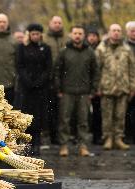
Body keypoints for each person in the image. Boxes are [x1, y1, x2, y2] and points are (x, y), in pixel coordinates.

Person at [55, 25, 99, 157]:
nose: (77, 35)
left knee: (83, 121)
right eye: (75, 33)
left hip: (84, 93)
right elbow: (57, 71)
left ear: (83, 35)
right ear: (71, 35)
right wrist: (58, 89)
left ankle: (83, 146)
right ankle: (64, 146)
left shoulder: (89, 52)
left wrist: (93, 90)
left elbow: (96, 72)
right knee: (65, 120)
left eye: (80, 33)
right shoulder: (64, 51)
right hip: (67, 91)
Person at [96, 24, 135, 150]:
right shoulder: (101, 48)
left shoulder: (126, 49)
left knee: (120, 115)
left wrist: (132, 86)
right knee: (107, 116)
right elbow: (96, 69)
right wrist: (97, 87)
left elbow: (132, 69)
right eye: (114, 30)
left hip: (123, 87)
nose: (116, 33)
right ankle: (108, 139)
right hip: (106, 87)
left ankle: (118, 139)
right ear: (109, 32)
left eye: (118, 30)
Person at [16, 24, 51, 155]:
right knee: (25, 117)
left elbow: (48, 68)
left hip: (40, 89)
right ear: (29, 35)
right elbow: (20, 66)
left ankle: (37, 144)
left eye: (37, 34)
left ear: (41, 35)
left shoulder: (46, 49)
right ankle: (25, 144)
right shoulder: (22, 47)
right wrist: (27, 81)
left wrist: (39, 82)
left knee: (38, 118)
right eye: (33, 34)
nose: (35, 36)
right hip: (26, 89)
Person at [43, 16, 68, 144]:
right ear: (50, 23)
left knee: (61, 110)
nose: (57, 25)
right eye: (55, 22)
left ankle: (58, 136)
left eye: (59, 22)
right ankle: (48, 134)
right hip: (47, 78)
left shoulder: (66, 39)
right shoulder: (44, 38)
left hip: (63, 78)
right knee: (48, 108)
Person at [86, 27, 103, 145]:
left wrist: (98, 87)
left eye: (94, 35)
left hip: (97, 85)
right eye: (90, 35)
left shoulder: (101, 49)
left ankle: (97, 136)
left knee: (97, 113)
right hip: (84, 85)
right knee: (84, 113)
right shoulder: (84, 49)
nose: (92, 38)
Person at [125, 21, 135, 144]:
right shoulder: (124, 47)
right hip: (127, 84)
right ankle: (128, 136)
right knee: (128, 112)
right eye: (132, 30)